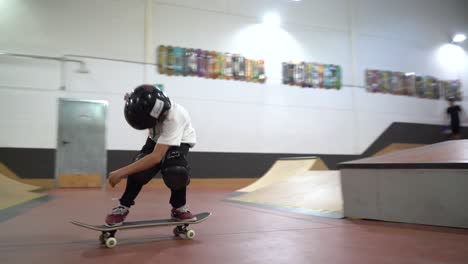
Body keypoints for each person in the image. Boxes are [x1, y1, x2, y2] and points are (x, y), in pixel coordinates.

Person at [105, 84, 197, 226]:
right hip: (156, 139)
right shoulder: (151, 104)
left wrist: (121, 172)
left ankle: (179, 207)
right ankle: (123, 207)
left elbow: (156, 157)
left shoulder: (174, 118)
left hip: (180, 140)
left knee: (175, 170)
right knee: (139, 169)